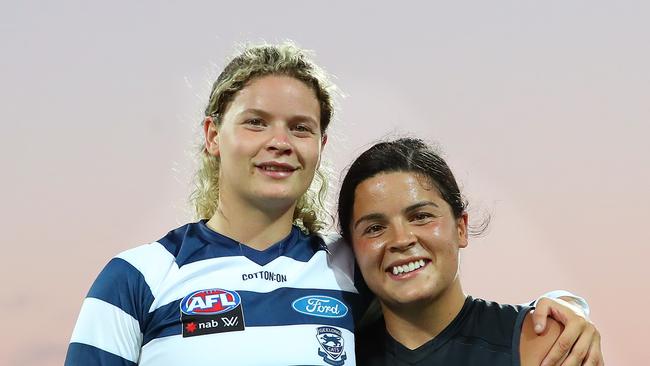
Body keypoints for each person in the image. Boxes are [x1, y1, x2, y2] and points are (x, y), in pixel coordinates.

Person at [65, 43, 601, 366]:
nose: (280, 141)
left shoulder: (347, 270)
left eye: (301, 127)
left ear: (319, 147)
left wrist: (566, 306)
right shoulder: (136, 277)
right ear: (212, 135)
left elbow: (438, 304)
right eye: (255, 121)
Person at [337, 137, 604, 366]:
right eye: (374, 228)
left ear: (461, 228)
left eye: (420, 216)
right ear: (352, 248)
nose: (401, 239)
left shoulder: (544, 344)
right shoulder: (335, 354)